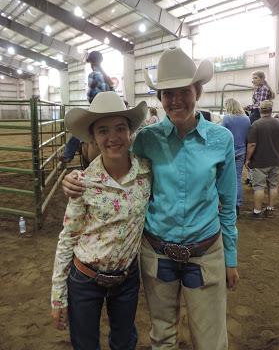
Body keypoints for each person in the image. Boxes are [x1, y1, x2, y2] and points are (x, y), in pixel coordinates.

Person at [62, 48, 239, 350]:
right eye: (167, 93)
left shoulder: (221, 140)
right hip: (157, 253)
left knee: (211, 340)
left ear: (197, 90)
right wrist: (77, 177)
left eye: (184, 91)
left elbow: (228, 203)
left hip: (206, 251)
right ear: (160, 97)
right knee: (162, 336)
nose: (176, 100)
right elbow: (113, 162)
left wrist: (231, 257)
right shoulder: (146, 139)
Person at [51, 91, 151, 350]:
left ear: (130, 133)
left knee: (124, 341)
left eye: (120, 128)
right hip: (85, 279)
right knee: (84, 344)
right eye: (103, 130)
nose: (113, 137)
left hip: (126, 278)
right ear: (93, 138)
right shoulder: (83, 182)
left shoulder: (147, 173)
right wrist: (57, 297)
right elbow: (68, 237)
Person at [61, 51, 114, 163]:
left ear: (91, 62)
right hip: (112, 109)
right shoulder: (107, 78)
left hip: (98, 109)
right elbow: (113, 94)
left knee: (79, 129)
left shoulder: (93, 75)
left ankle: (68, 154)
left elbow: (91, 96)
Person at [245, 100, 279, 218]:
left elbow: (252, 144)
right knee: (273, 186)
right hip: (276, 160)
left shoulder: (256, 124)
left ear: (260, 110)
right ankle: (270, 209)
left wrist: (248, 159)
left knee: (259, 187)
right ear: (271, 110)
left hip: (260, 162)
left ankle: (257, 212)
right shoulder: (278, 123)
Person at [222, 98, 251, 216]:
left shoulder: (227, 118)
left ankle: (226, 202)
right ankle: (237, 205)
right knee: (238, 177)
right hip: (241, 150)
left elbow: (223, 134)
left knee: (224, 177)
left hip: (228, 151)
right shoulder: (246, 119)